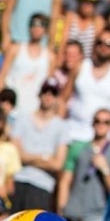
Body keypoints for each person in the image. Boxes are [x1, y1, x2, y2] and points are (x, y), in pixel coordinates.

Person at [58, 108, 110, 221]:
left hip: (96, 216)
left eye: (106, 122)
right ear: (92, 124)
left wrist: (105, 169)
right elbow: (65, 180)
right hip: (73, 212)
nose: (101, 125)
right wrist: (61, 208)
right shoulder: (78, 148)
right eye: (98, 121)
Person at [10, 78, 68, 212]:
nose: (48, 96)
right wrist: (45, 158)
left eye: (53, 93)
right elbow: (16, 154)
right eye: (45, 92)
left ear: (57, 98)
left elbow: (58, 164)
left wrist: (27, 158)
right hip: (18, 180)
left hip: (43, 186)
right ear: (39, 94)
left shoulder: (62, 126)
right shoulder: (23, 119)